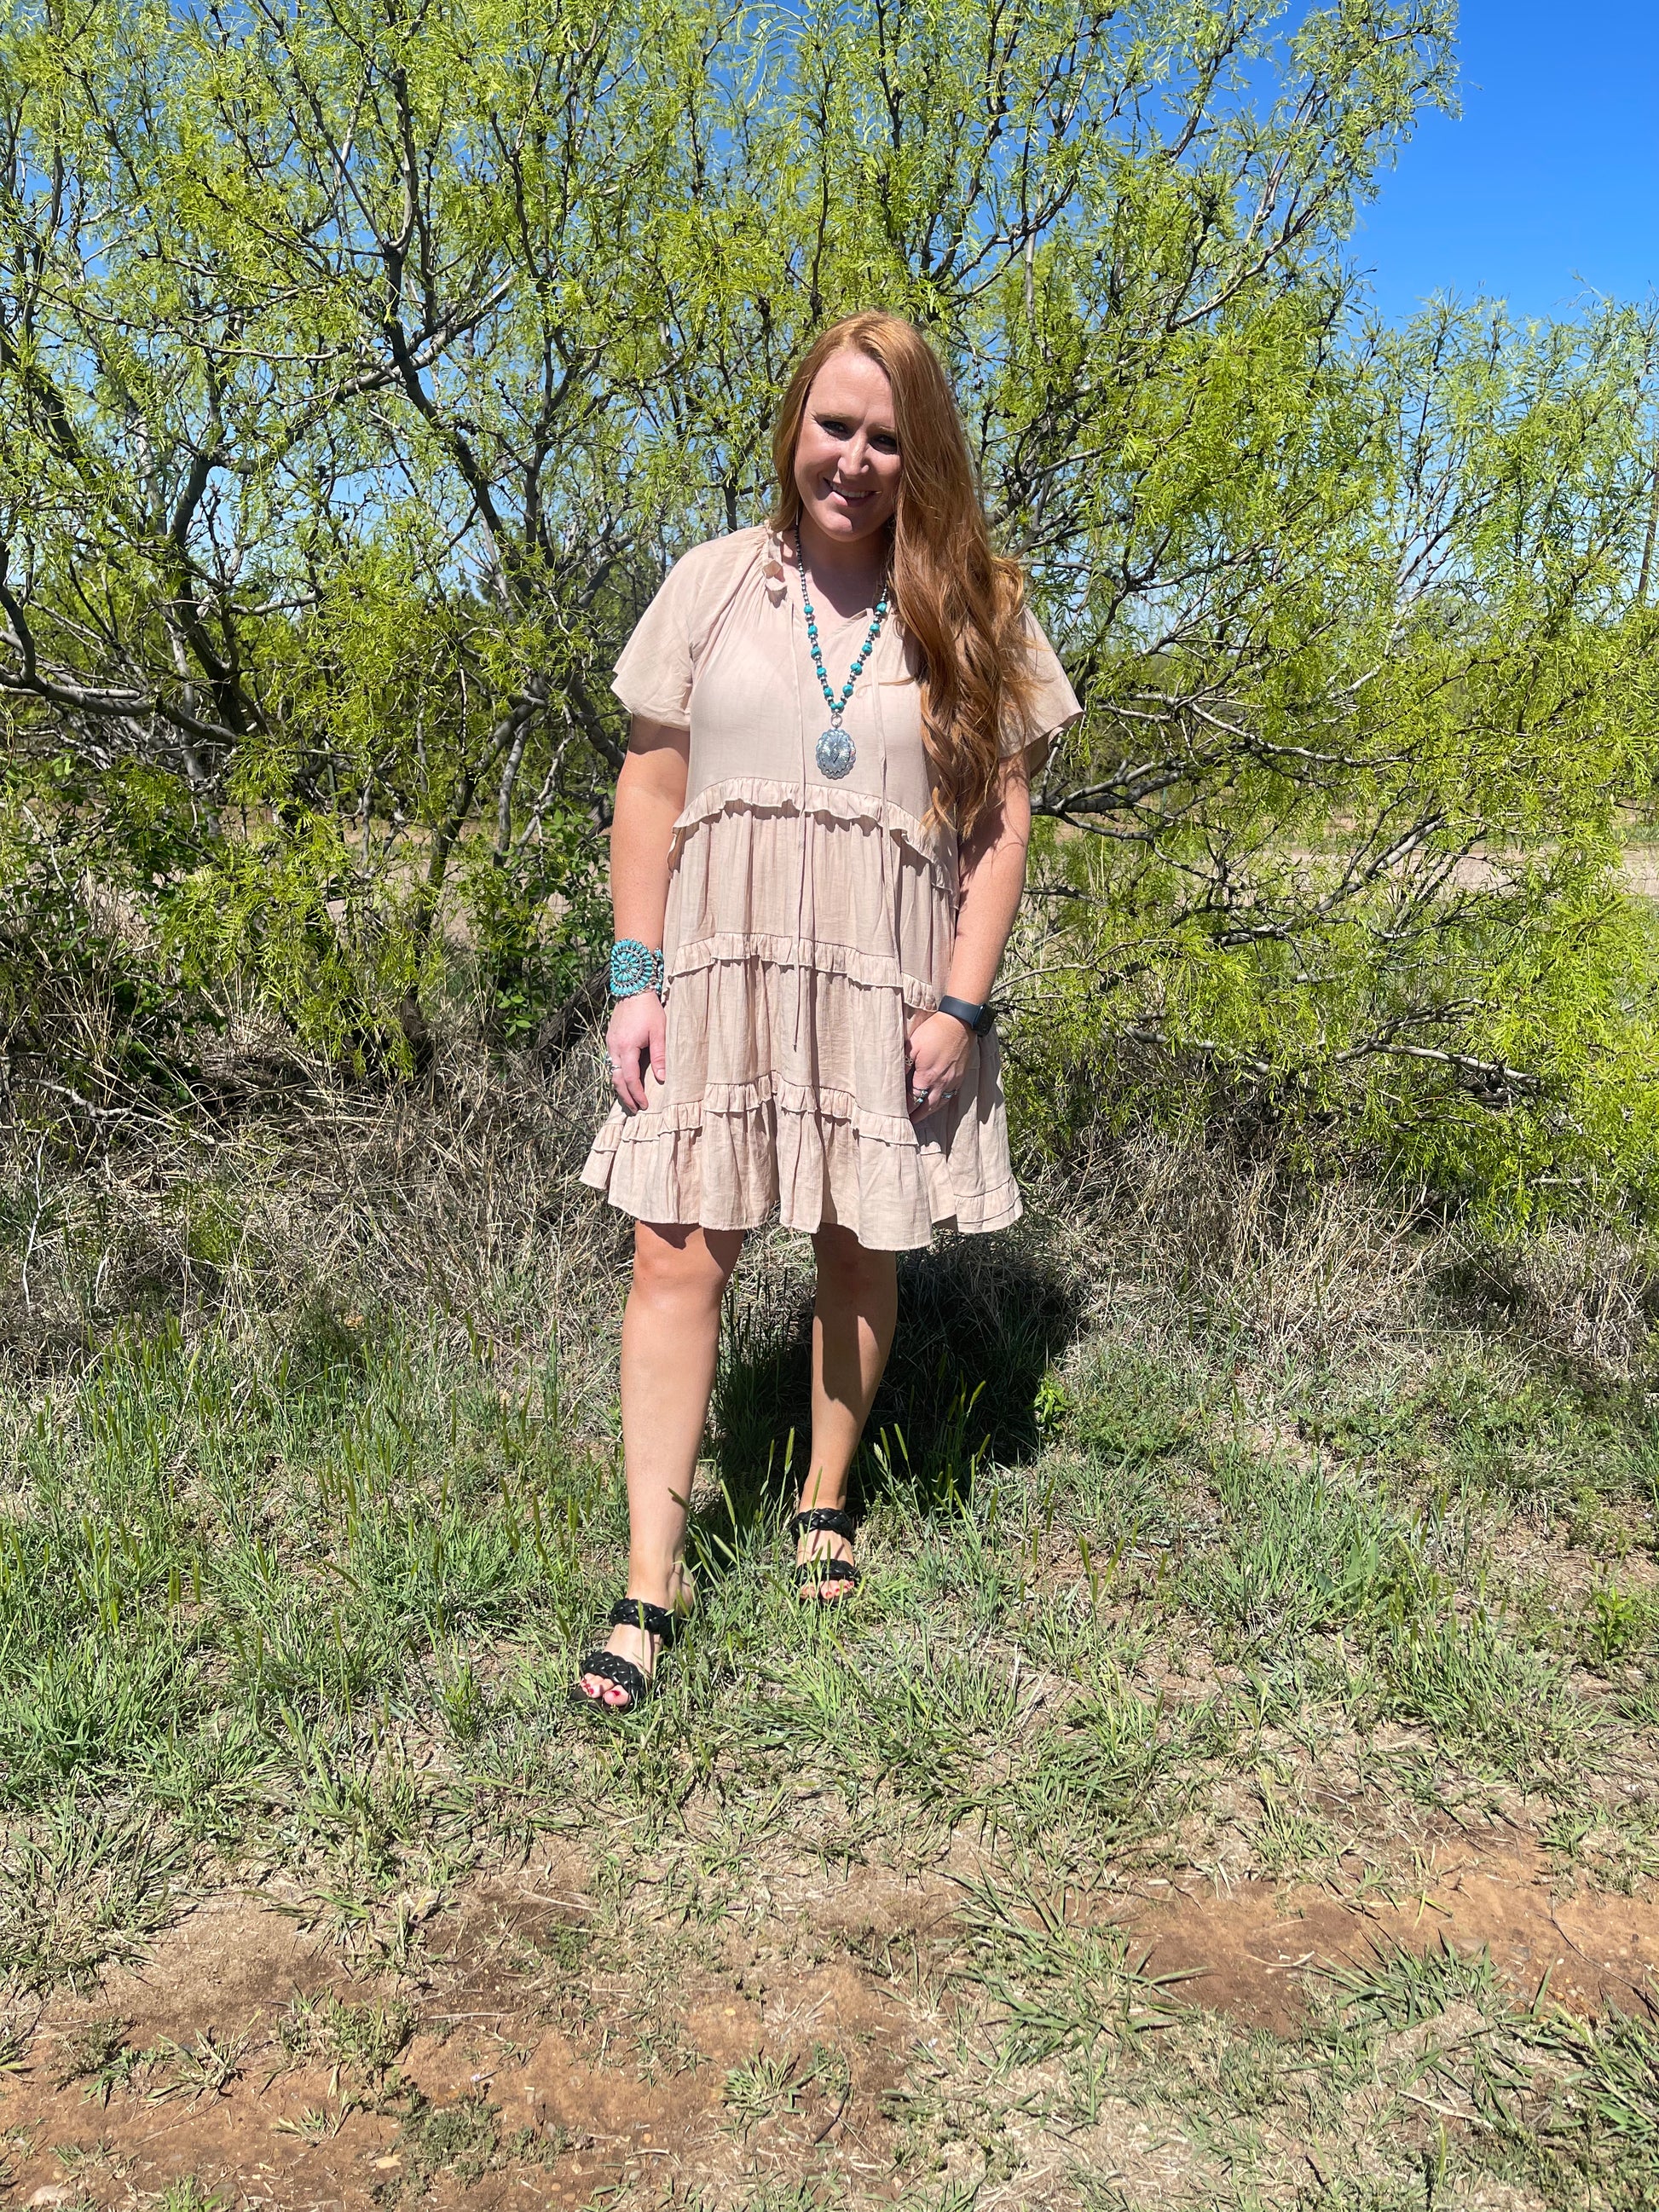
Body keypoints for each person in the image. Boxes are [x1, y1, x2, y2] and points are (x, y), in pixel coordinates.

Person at [573, 310, 1079, 1711]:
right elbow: (650, 786)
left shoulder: (972, 602)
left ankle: (821, 1496)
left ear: (922, 457)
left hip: (886, 984)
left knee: (858, 1245)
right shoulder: (711, 583)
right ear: (794, 425)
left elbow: (1000, 823)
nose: (851, 461)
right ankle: (649, 1577)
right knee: (676, 1258)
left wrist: (960, 1010)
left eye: (884, 439)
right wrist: (633, 975)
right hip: (717, 971)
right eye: (832, 427)